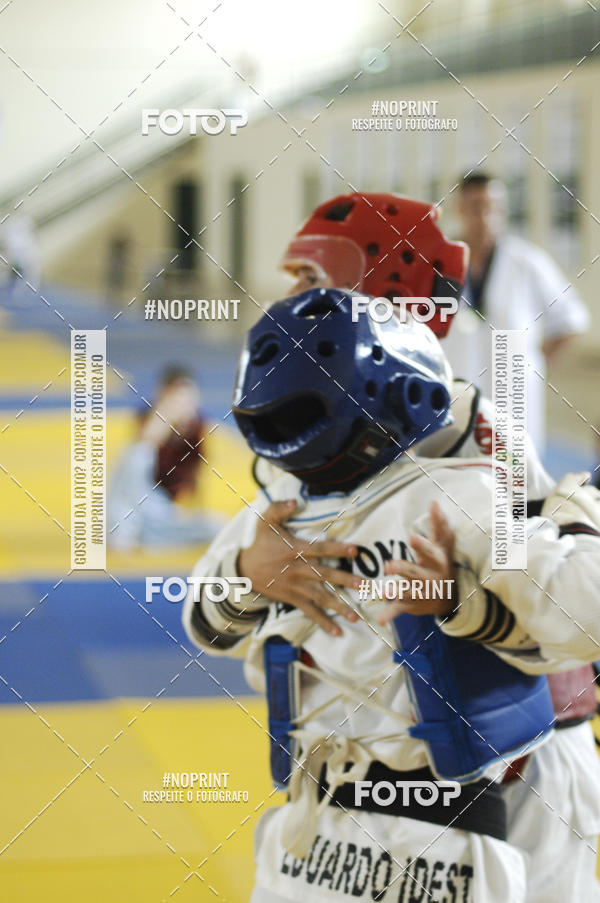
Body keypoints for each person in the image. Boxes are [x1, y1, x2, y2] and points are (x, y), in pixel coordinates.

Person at [185, 192, 600, 903]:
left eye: (312, 283)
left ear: (387, 290)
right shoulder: (301, 459)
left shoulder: (478, 439)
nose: (292, 301)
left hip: (528, 748)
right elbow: (205, 610)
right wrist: (252, 576)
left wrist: (499, 595)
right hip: (361, 790)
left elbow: (570, 603)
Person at [442, 171, 589, 452]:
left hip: (514, 398)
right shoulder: (439, 263)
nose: (484, 218)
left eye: (491, 208)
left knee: (515, 484)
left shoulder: (527, 262)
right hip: (456, 395)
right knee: (456, 480)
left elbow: (572, 320)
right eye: (475, 208)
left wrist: (536, 365)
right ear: (459, 210)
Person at [108, 365, 223, 550]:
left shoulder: (198, 427)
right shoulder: (149, 418)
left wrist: (187, 513)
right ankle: (127, 531)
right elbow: (142, 447)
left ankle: (152, 536)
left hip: (161, 510)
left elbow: (195, 479)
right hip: (129, 506)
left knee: (216, 526)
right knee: (137, 455)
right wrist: (167, 413)